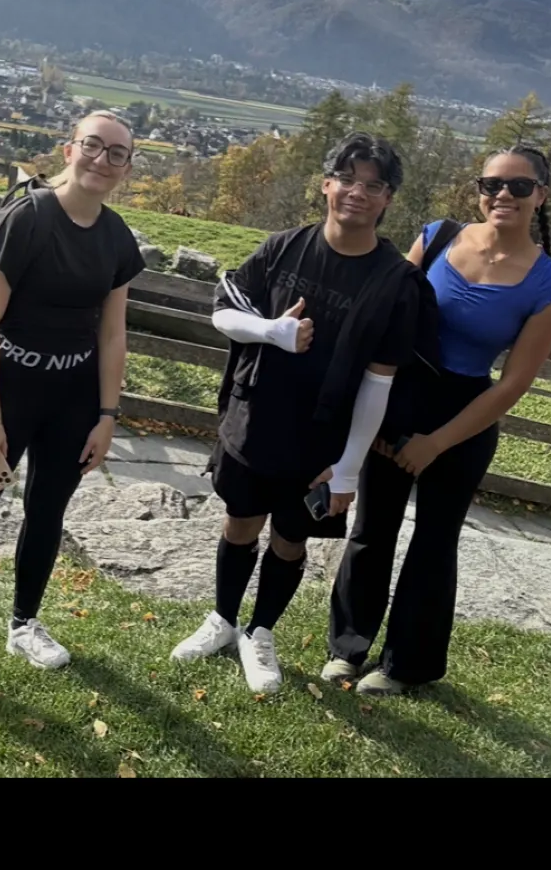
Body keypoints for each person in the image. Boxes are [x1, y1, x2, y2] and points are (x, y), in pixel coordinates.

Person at [169, 133, 421, 694]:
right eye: (347, 178)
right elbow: (223, 313)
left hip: (322, 441)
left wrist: (352, 466)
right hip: (254, 419)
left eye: (373, 184)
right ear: (326, 183)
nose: (357, 192)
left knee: (290, 537)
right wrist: (272, 332)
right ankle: (223, 619)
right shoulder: (283, 247)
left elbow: (381, 381)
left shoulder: (396, 283)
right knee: (239, 522)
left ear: (388, 199)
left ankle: (260, 633)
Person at [323, 144, 551, 695]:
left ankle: (406, 665)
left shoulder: (549, 286)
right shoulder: (436, 237)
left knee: (434, 543)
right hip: (399, 392)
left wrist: (436, 443)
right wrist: (376, 415)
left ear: (542, 196)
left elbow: (513, 384)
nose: (502, 195)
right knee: (372, 530)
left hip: (465, 416)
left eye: (519, 186)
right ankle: (347, 648)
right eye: (491, 184)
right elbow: (388, 316)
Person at [0, 111, 144, 670]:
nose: (103, 160)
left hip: (72, 399)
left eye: (117, 153)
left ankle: (25, 624)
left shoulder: (117, 238)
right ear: (69, 150)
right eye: (93, 146)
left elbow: (113, 334)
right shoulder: (27, 218)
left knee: (48, 513)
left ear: (127, 168)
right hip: (6, 394)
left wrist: (108, 414)